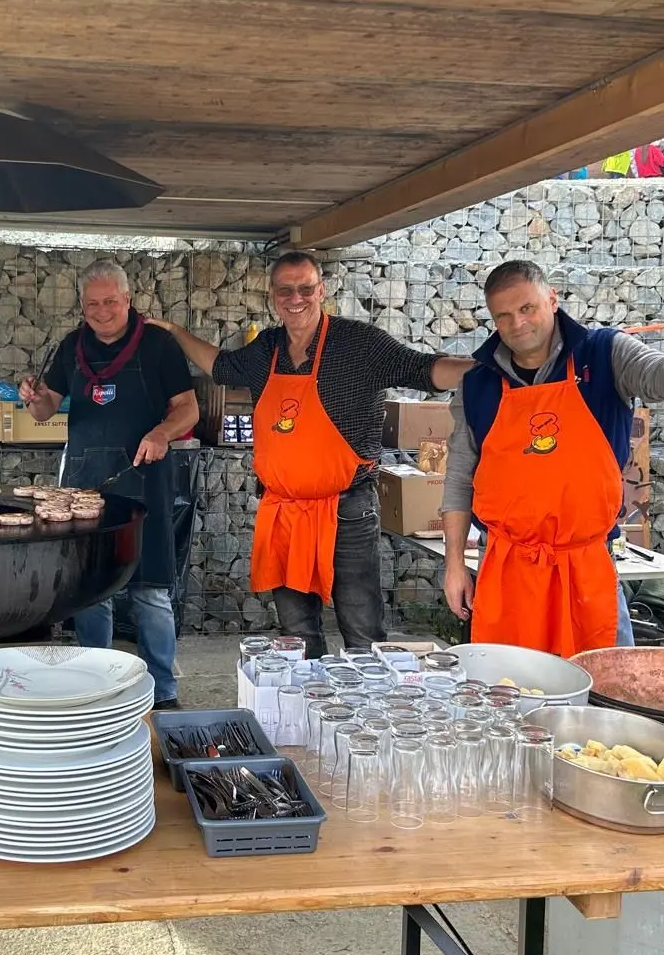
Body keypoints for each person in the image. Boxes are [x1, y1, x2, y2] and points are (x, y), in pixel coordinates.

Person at [153, 251, 474, 659]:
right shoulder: (266, 348)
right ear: (273, 296)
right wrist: (175, 331)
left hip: (348, 513)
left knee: (361, 633)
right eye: (285, 290)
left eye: (306, 288)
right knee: (297, 636)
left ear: (321, 290)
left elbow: (426, 370)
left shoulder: (359, 344)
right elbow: (220, 366)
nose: (296, 298)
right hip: (284, 512)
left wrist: (491, 369)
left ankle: (360, 718)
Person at [439, 260, 664, 657]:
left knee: (601, 687)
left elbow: (660, 370)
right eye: (504, 316)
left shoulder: (603, 354)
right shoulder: (477, 384)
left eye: (527, 308)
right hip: (506, 570)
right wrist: (455, 563)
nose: (517, 324)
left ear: (552, 299)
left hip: (586, 569)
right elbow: (460, 478)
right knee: (506, 691)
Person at [20, 261, 198, 710]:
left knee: (151, 588)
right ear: (83, 305)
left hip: (145, 478)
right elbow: (46, 412)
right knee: (92, 588)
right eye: (92, 304)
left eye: (110, 302)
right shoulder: (70, 346)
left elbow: (189, 409)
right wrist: (35, 399)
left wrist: (161, 433)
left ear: (128, 299)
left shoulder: (158, 345)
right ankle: (96, 685)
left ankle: (163, 690)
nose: (102, 312)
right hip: (83, 482)